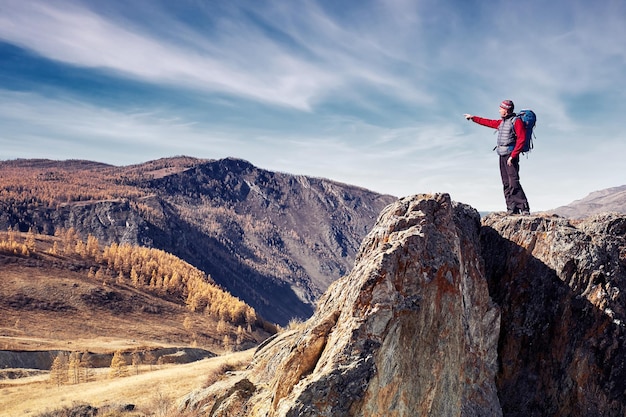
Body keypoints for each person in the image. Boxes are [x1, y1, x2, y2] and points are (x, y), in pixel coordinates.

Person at [464, 99, 530, 215]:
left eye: (501, 108)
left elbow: (522, 139)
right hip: (502, 154)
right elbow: (488, 122)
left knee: (513, 182)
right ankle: (511, 208)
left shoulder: (516, 121)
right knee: (505, 183)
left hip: (510, 155)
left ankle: (524, 208)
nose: (499, 110)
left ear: (506, 110)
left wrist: (513, 156)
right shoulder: (502, 122)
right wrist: (473, 118)